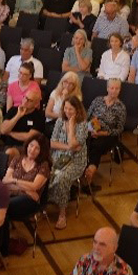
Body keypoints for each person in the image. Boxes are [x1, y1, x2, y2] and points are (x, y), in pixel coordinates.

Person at [2, 133, 51, 255]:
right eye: (31, 145)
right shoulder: (17, 159)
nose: (32, 150)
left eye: (37, 148)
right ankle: (2, 242)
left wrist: (14, 181)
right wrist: (24, 187)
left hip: (31, 201)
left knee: (2, 208)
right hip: (19, 194)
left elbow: (35, 186)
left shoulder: (44, 165)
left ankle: (3, 247)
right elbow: (5, 180)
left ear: (42, 151)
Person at [47, 97, 90, 230]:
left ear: (77, 110)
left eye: (70, 109)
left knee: (62, 178)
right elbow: (52, 143)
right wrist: (68, 147)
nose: (67, 111)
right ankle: (45, 203)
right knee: (45, 174)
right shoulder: (60, 120)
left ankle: (62, 213)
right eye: (65, 108)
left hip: (76, 161)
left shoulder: (82, 124)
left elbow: (73, 143)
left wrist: (71, 126)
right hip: (58, 157)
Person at [84, 79, 127, 185]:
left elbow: (120, 129)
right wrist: (92, 128)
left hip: (109, 134)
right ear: (107, 88)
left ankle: (89, 171)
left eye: (117, 88)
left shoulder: (121, 107)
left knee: (96, 145)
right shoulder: (98, 100)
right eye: (112, 88)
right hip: (93, 128)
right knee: (85, 140)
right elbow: (87, 116)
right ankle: (86, 169)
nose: (114, 91)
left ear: (120, 90)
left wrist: (102, 133)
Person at [0, 89, 46, 158]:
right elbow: (3, 130)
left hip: (25, 147)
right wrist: (18, 116)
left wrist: (10, 133)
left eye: (30, 100)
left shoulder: (39, 117)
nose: (25, 101)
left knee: (10, 152)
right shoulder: (13, 110)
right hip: (7, 144)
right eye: (25, 97)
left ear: (36, 104)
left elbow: (29, 137)